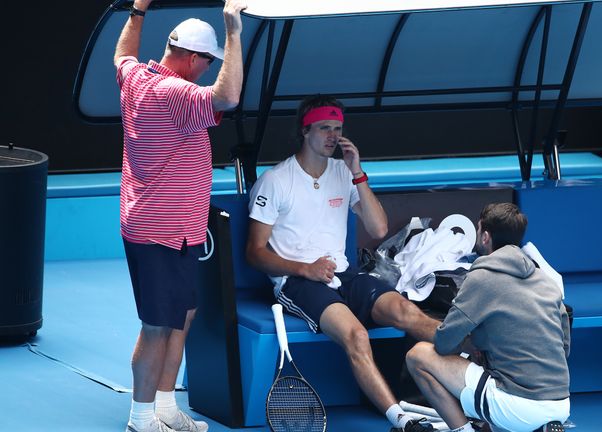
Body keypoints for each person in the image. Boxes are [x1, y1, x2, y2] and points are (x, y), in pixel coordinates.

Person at [246, 94, 440, 432]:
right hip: (298, 282)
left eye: (337, 129)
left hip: (343, 273)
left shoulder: (342, 172)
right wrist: (304, 268)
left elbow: (378, 228)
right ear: (305, 131)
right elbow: (255, 253)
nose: (333, 136)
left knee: (406, 313)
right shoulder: (275, 181)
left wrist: (358, 173)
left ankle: (483, 364)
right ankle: (402, 420)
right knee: (357, 335)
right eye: (324, 128)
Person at [113, 0, 247, 431]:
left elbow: (122, 56)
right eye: (208, 63)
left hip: (180, 230)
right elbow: (228, 95)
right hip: (158, 232)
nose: (209, 70)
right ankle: (141, 418)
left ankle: (166, 405)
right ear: (192, 59)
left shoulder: (135, 76)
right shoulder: (176, 94)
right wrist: (233, 32)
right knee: (156, 327)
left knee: (182, 314)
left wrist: (137, 10)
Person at [406, 203, 571, 432]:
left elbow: (444, 344)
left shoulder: (481, 277)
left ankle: (465, 430)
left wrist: (470, 341)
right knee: (486, 356)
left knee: (418, 356)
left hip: (517, 406)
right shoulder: (545, 280)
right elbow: (563, 347)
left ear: (485, 236)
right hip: (561, 404)